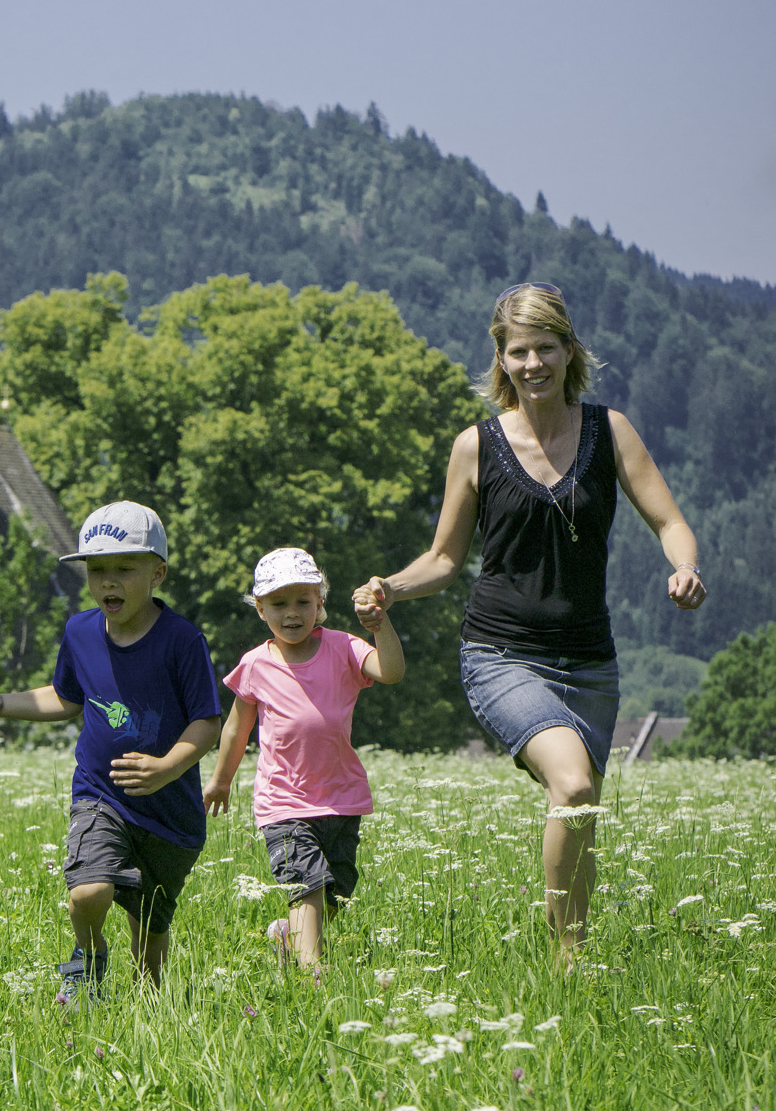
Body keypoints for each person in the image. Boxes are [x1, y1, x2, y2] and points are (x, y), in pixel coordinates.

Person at [352, 281, 706, 961]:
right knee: (572, 784)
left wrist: (685, 568)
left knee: (581, 813)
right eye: (520, 351)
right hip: (501, 654)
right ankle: (568, 960)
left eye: (547, 347)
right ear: (501, 359)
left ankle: (575, 953)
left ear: (571, 352)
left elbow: (670, 521)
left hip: (590, 663)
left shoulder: (611, 431)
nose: (534, 363)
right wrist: (388, 589)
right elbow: (444, 558)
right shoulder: (476, 446)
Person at [0, 501, 221, 1002]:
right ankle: (87, 959)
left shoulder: (182, 640)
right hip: (100, 794)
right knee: (88, 890)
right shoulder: (80, 632)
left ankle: (148, 1009)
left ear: (157, 572)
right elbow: (64, 698)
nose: (108, 582)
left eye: (124, 570)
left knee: (149, 931)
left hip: (169, 814)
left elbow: (208, 722)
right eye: (97, 570)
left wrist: (166, 768)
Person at [205, 547, 404, 974]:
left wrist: (380, 625)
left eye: (302, 601)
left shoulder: (344, 648)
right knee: (306, 887)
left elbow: (391, 672)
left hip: (342, 798)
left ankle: (286, 934)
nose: (291, 613)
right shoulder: (256, 664)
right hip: (285, 803)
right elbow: (237, 729)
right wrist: (221, 781)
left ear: (320, 604)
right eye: (279, 604)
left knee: (337, 894)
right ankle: (314, 979)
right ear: (261, 609)